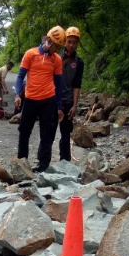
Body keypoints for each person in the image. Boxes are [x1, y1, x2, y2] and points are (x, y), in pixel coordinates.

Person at [14, 26, 66, 172]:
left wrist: (59, 106)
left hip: (48, 100)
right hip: (30, 99)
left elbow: (58, 84)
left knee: (47, 134)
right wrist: (17, 94)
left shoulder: (57, 59)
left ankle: (43, 165)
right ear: (49, 41)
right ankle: (22, 164)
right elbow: (20, 76)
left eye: (59, 47)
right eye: (56, 46)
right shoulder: (31, 54)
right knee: (24, 131)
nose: (57, 50)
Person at [57, 27, 85, 162]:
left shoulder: (79, 62)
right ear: (65, 42)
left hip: (68, 101)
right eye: (69, 41)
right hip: (53, 99)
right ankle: (43, 162)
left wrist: (74, 105)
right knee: (48, 132)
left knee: (66, 133)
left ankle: (65, 161)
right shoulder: (56, 58)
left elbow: (76, 85)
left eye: (74, 42)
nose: (71, 45)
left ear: (77, 43)